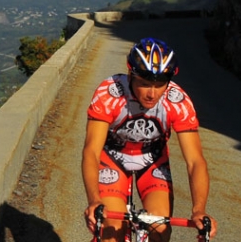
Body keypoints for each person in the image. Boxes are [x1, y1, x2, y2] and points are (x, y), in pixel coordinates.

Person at [81, 37, 218, 241]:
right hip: (112, 159)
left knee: (160, 230)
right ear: (131, 75)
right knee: (112, 229)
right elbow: (91, 151)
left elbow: (195, 161)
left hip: (152, 161)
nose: (152, 94)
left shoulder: (178, 101)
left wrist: (199, 210)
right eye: (144, 84)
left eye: (160, 85)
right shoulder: (109, 94)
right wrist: (94, 200)